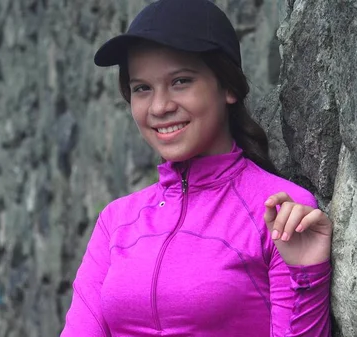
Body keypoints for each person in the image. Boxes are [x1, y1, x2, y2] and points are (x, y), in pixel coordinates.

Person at [61, 0, 332, 336]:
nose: (159, 107)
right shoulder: (117, 221)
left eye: (181, 81)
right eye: (142, 88)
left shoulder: (281, 211)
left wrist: (307, 276)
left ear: (228, 86)